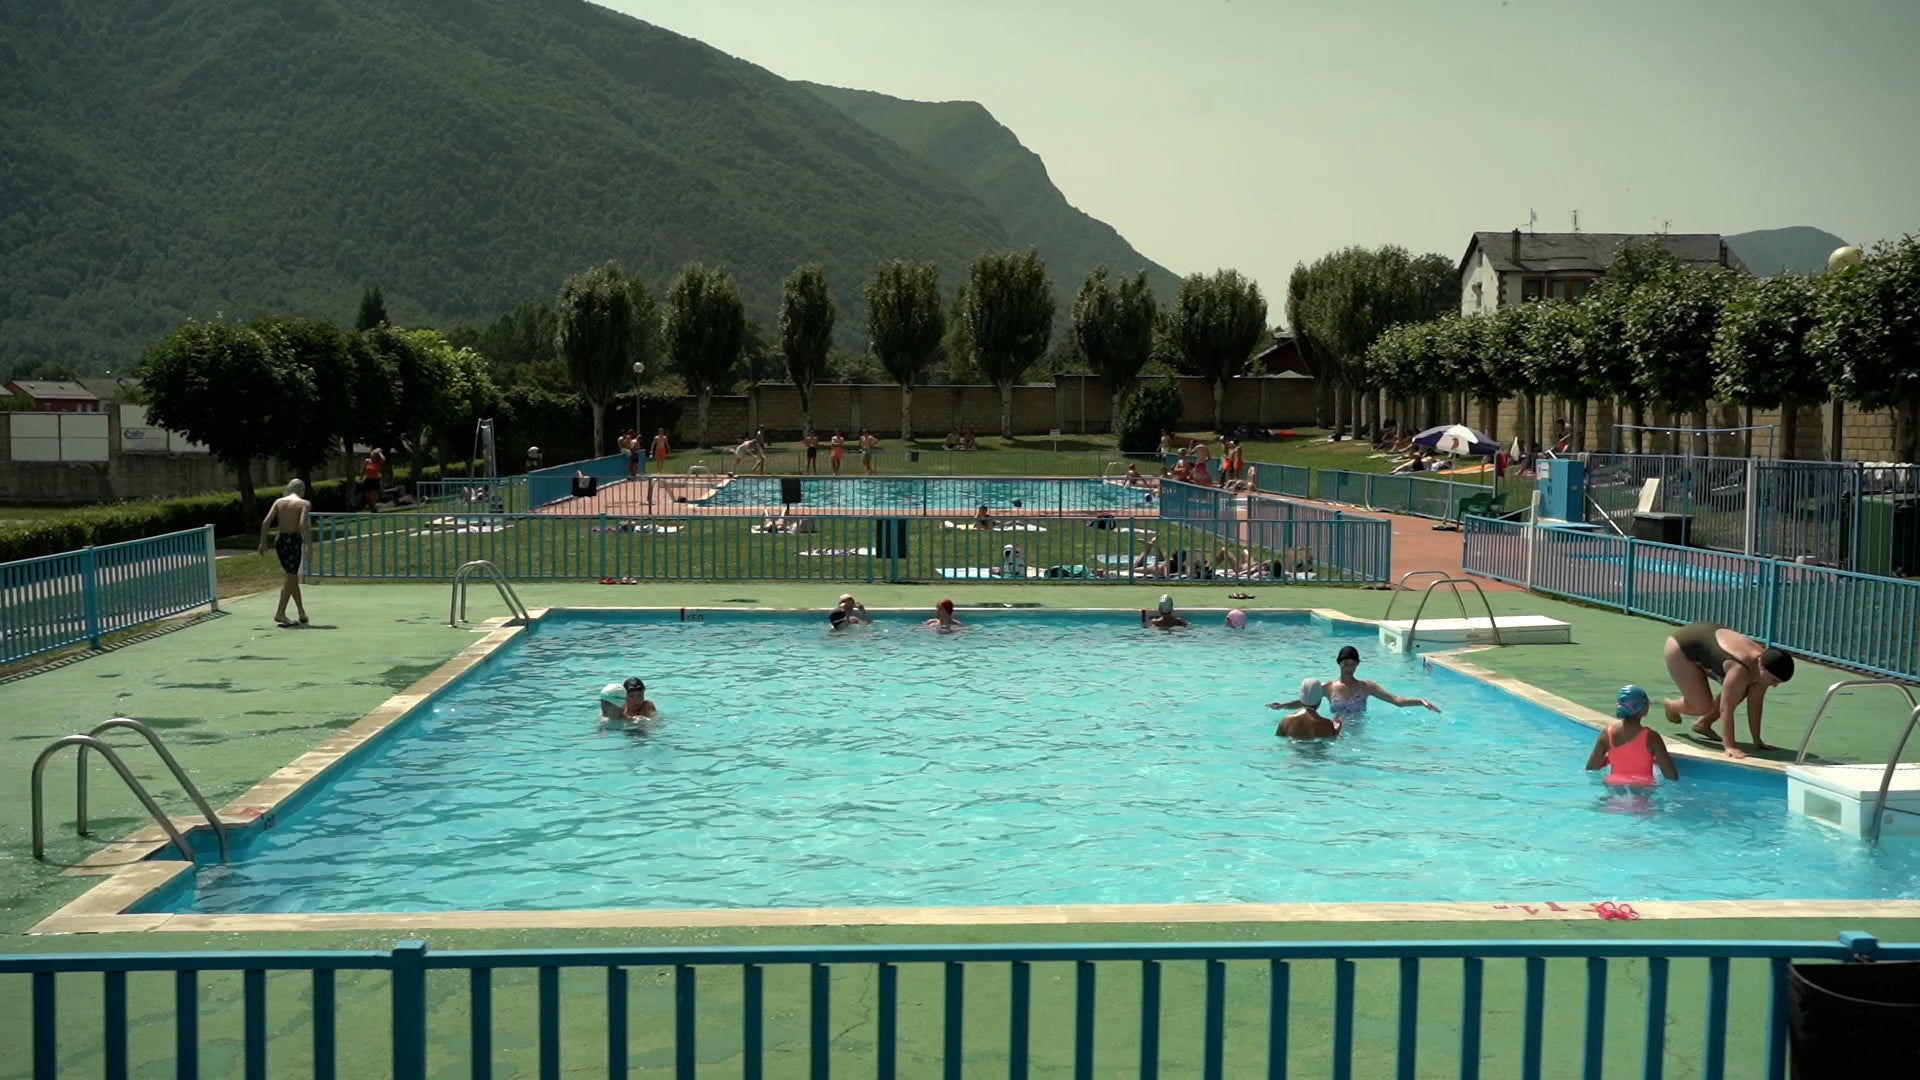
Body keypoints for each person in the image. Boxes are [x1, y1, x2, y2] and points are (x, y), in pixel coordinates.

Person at [1662, 621, 1795, 758]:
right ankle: (1671, 705)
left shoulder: (1763, 664)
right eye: (1774, 680)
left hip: (1704, 636)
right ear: (1762, 667)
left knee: (1742, 689)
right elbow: (1726, 708)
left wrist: (1757, 740)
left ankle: (1703, 724)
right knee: (1702, 706)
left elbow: (1755, 703)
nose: (1774, 685)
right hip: (1680, 647)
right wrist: (1730, 745)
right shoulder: (1741, 668)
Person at [1318, 644, 1439, 722]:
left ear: (1357, 665)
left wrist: (1421, 701)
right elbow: (1306, 703)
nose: (1349, 668)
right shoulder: (1327, 687)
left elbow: (1397, 700)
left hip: (1358, 733)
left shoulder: (1367, 687)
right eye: (1346, 664)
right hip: (1335, 732)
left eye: (1353, 664)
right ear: (1339, 663)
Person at [1585, 685, 1678, 786]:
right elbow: (1671, 776)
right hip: (1642, 790)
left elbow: (1591, 768)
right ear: (1644, 709)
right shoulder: (1652, 737)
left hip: (1614, 788)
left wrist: (1610, 759)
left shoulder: (1607, 734)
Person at [257, 478, 313, 627]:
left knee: (291, 577)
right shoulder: (304, 503)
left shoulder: (279, 502)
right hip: (293, 540)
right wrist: (309, 545)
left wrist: (263, 542)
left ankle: (301, 612)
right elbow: (302, 524)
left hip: (280, 540)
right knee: (291, 576)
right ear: (302, 490)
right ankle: (280, 613)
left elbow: (266, 522)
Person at [1269, 678, 1341, 739]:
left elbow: (1279, 738)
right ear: (1319, 700)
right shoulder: (1326, 724)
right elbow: (1333, 738)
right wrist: (1339, 725)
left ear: (1301, 698)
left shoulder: (1285, 721)